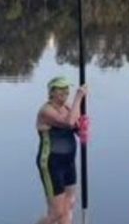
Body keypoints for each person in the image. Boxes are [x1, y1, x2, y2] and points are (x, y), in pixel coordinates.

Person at [35, 76, 88, 224]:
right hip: (52, 163)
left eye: (67, 89)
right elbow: (69, 123)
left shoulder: (68, 107)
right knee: (56, 213)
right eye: (60, 89)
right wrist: (79, 98)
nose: (65, 92)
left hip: (68, 162)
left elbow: (76, 128)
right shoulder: (46, 111)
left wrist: (83, 129)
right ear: (51, 92)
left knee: (68, 206)